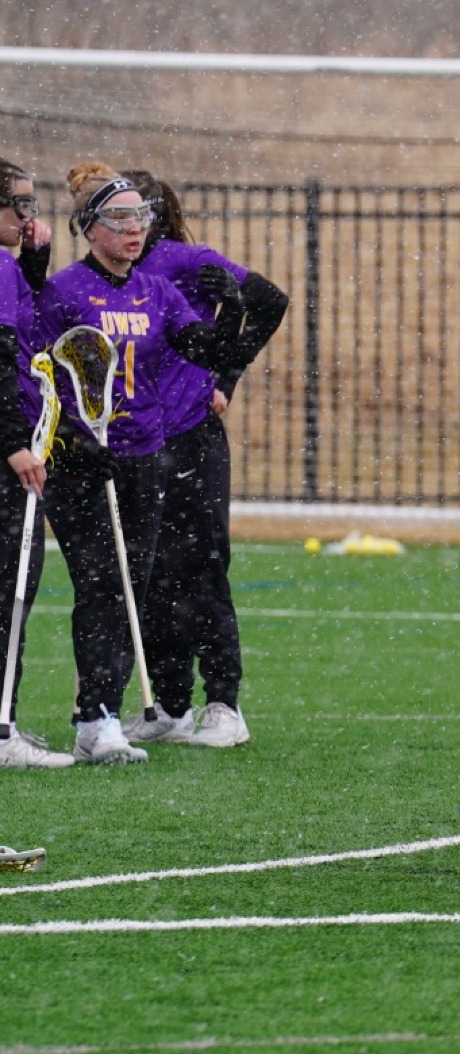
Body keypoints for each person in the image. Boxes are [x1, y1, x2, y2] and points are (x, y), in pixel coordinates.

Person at [36, 164, 241, 764]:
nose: (134, 229)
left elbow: (200, 350)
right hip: (83, 462)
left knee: (132, 587)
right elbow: (42, 374)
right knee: (100, 583)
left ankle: (103, 713)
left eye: (141, 217)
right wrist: (73, 435)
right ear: (89, 228)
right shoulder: (66, 292)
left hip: (145, 456)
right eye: (119, 218)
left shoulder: (157, 291)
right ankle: (95, 719)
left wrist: (229, 319)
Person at [124, 169, 288, 749]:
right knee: (148, 576)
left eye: (133, 211)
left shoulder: (182, 260)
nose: (125, 224)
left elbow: (268, 300)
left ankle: (225, 706)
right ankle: (169, 706)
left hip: (192, 437)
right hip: (138, 442)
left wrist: (228, 375)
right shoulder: (108, 279)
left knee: (200, 569)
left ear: (153, 214)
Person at [0, 157, 69, 769]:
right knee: (11, 589)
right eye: (19, 204)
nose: (31, 215)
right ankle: (1, 732)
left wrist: (33, 265)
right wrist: (13, 443)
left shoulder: (8, 267)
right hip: (8, 454)